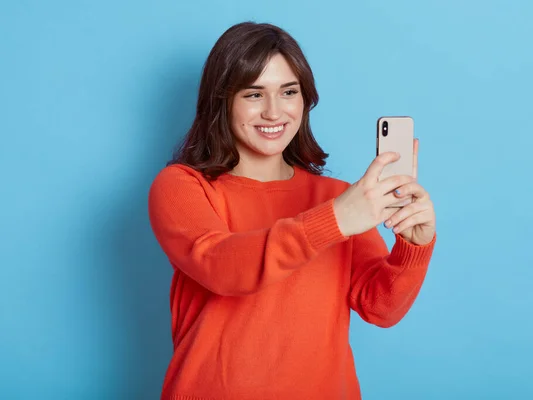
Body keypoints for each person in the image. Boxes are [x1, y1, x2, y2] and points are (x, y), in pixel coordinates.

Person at [148, 21, 437, 400]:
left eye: (288, 91)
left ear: (305, 100)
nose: (273, 111)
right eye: (253, 94)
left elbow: (380, 307)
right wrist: (335, 220)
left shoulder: (337, 197)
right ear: (222, 100)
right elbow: (223, 268)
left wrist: (413, 248)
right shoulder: (183, 186)